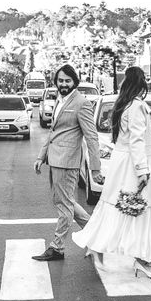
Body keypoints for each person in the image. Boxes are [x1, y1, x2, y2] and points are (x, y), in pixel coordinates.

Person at [72, 66, 151, 278]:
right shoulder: (136, 107)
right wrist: (142, 170)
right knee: (138, 210)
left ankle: (115, 251)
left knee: (123, 208)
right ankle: (138, 258)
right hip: (135, 167)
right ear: (139, 83)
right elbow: (137, 140)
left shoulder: (127, 105)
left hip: (125, 164)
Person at [32, 64, 103, 261]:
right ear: (56, 82)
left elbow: (92, 137)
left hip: (67, 162)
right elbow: (53, 132)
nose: (63, 84)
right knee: (65, 202)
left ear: (75, 82)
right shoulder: (59, 99)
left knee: (64, 206)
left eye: (67, 81)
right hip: (54, 160)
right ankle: (96, 236)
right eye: (60, 80)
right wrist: (41, 156)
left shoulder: (81, 103)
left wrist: (95, 167)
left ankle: (57, 247)